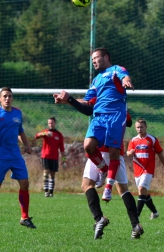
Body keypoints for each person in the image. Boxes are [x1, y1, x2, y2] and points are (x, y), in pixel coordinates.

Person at [53, 91, 144, 240]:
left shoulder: (102, 97)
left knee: (87, 185)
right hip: (116, 151)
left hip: (99, 151)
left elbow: (88, 105)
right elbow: (128, 121)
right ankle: (135, 225)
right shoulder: (118, 102)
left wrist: (68, 100)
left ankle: (99, 218)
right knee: (123, 190)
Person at [56, 48, 134, 205]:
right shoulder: (96, 80)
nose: (93, 61)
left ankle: (108, 187)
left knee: (114, 152)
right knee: (88, 146)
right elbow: (87, 103)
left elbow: (124, 74)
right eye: (92, 59)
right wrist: (68, 100)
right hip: (99, 117)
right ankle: (104, 170)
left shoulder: (115, 70)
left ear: (106, 57)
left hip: (115, 116)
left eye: (96, 58)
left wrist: (126, 80)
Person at [0, 87, 36, 229]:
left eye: (10, 96)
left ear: (12, 98)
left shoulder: (17, 113)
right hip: (0, 155)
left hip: (15, 154)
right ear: (0, 99)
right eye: (4, 96)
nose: (7, 98)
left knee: (25, 183)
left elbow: (20, 131)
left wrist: (27, 146)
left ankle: (24, 217)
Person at [127, 118, 164, 219]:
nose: (139, 129)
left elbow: (160, 154)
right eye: (137, 127)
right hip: (137, 170)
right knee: (144, 193)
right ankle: (155, 212)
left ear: (146, 127)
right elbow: (128, 153)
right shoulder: (133, 140)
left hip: (148, 169)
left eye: (141, 127)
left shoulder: (152, 139)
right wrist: (130, 153)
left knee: (141, 189)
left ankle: (137, 215)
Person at [35, 117, 65, 197]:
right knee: (46, 172)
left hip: (54, 157)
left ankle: (51, 192)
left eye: (52, 123)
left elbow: (62, 148)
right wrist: (44, 134)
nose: (50, 125)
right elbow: (36, 136)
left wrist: (64, 159)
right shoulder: (46, 132)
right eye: (49, 123)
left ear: (55, 123)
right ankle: (46, 191)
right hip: (45, 156)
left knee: (52, 175)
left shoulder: (59, 134)